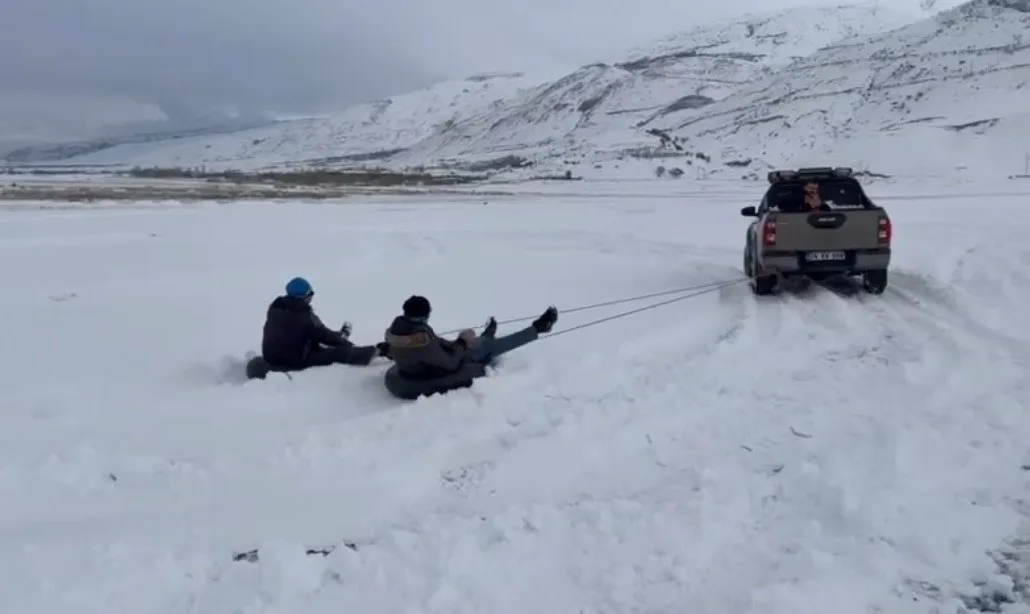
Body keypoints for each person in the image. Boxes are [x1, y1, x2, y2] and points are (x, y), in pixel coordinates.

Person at [384, 295, 558, 381]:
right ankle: (538, 329)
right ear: (424, 315)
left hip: (418, 366)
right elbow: (450, 363)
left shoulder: (399, 327)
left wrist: (456, 343)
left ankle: (487, 335)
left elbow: (432, 344)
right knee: (488, 348)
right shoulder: (421, 339)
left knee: (476, 343)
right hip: (432, 372)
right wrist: (461, 343)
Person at [259, 276, 391, 373]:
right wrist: (350, 346)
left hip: (271, 355)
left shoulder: (275, 308)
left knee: (312, 340)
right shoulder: (305, 317)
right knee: (335, 353)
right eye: (310, 294)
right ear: (303, 297)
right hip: (294, 360)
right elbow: (326, 337)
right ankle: (377, 351)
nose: (312, 297)